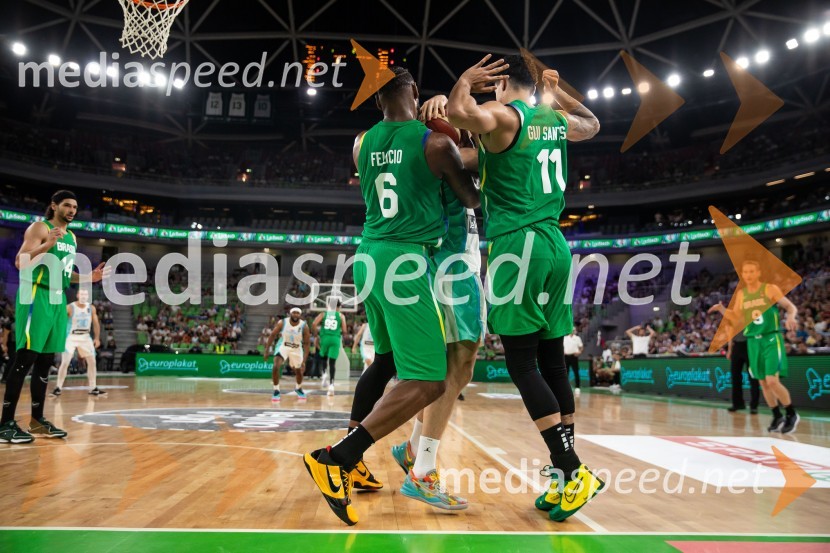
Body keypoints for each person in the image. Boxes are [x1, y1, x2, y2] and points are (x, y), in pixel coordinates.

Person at [302, 66, 479, 525]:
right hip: (405, 261)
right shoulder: (436, 144)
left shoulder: (361, 144)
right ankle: (337, 458)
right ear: (415, 93)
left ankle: (351, 459)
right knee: (429, 381)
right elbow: (472, 199)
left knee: (384, 361)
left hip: (366, 256)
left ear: (376, 100)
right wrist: (469, 139)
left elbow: (397, 167)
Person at [447, 54, 603, 522]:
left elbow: (459, 114)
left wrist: (464, 81)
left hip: (518, 245)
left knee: (520, 362)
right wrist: (557, 91)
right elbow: (592, 124)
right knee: (554, 364)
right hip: (557, 243)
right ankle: (561, 478)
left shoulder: (505, 114)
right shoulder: (553, 118)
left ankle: (573, 470)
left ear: (501, 86)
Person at [0, 190, 107, 444]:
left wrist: (89, 278)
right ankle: (5, 424)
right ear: (54, 206)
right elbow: (20, 261)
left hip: (58, 299)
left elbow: (65, 273)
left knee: (46, 360)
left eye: (75, 207)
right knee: (25, 358)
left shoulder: (71, 236)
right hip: (36, 295)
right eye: (67, 205)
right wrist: (47, 244)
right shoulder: (40, 227)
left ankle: (37, 421)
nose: (71, 210)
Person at [708, 259, 800, 434]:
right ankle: (776, 415)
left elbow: (790, 307)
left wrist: (791, 317)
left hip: (770, 338)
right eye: (745, 272)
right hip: (752, 341)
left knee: (772, 380)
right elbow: (736, 317)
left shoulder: (769, 288)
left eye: (752, 271)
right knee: (763, 382)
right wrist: (721, 309)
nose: (748, 275)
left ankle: (791, 413)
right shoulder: (742, 294)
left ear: (758, 273)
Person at [53, 288, 104, 396]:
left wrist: (97, 338)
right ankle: (58, 387)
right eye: (82, 294)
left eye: (86, 294)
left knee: (92, 362)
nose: (84, 296)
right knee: (65, 362)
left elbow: (96, 324)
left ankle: (93, 387)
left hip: (85, 336)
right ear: (77, 295)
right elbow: (59, 320)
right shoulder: (70, 307)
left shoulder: (91, 308)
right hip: (71, 336)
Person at [264, 307, 310, 402]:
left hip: (297, 348)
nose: (296, 314)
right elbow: (272, 335)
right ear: (290, 314)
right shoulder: (282, 322)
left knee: (298, 371)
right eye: (294, 313)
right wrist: (267, 349)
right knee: (276, 366)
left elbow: (307, 344)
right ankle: (276, 390)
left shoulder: (304, 326)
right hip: (284, 345)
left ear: (300, 315)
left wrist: (304, 361)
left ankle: (298, 388)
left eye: (297, 313)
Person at [312, 299, 347, 396]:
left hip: (325, 337)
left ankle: (324, 374)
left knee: (323, 358)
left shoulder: (323, 314)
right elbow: (344, 330)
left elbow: (314, 324)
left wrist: (316, 335)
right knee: (332, 363)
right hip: (335, 339)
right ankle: (331, 385)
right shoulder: (341, 316)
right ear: (338, 307)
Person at [726, 331, 760, 414]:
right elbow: (730, 334)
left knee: (753, 377)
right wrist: (730, 350)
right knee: (735, 376)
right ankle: (738, 404)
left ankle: (754, 406)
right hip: (736, 346)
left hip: (750, 344)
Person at [563, 327, 584, 396]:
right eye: (571, 330)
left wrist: (579, 352)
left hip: (574, 356)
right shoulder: (565, 338)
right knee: (566, 372)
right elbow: (561, 347)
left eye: (574, 330)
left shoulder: (577, 338)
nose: (573, 331)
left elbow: (581, 347)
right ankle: (566, 387)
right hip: (566, 356)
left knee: (576, 371)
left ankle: (577, 387)